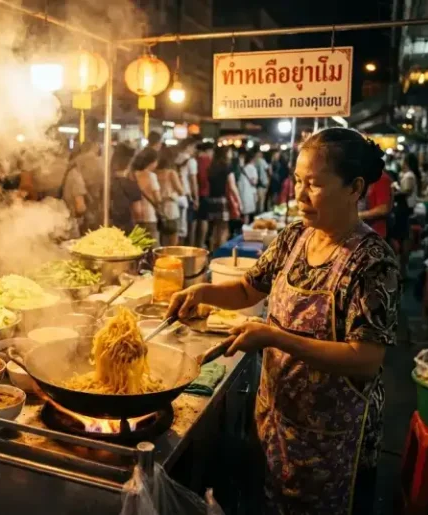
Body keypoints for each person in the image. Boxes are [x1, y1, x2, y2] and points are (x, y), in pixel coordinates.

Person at [167, 127, 399, 515]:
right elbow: (247, 290)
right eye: (297, 181)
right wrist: (202, 291)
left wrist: (275, 338)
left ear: (355, 187)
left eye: (314, 184)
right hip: (276, 417)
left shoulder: (373, 262)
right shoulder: (294, 237)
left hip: (333, 435)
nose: (300, 195)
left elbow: (366, 358)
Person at [206, 146, 241, 250]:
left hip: (211, 200)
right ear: (225, 154)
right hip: (222, 200)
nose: (231, 154)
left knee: (214, 229)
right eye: (230, 152)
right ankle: (220, 253)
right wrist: (239, 200)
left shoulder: (211, 167)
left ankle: (212, 252)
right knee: (223, 229)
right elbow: (232, 186)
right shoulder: (227, 167)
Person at [392, 153, 419, 277]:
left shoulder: (409, 176)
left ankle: (402, 266)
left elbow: (406, 191)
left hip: (404, 209)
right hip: (405, 208)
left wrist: (394, 191)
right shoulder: (409, 175)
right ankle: (402, 266)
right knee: (404, 236)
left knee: (403, 236)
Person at [109, 143, 143, 234]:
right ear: (129, 164)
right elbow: (138, 212)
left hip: (107, 227)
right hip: (126, 229)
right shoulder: (131, 185)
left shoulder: (106, 182)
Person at [130, 147, 161, 245]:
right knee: (153, 248)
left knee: (138, 248)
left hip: (134, 217)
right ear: (152, 162)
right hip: (149, 217)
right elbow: (158, 199)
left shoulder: (132, 175)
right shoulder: (151, 176)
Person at [155, 147, 185, 246]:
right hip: (171, 208)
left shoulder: (154, 173)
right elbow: (181, 191)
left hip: (158, 208)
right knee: (173, 238)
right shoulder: (171, 173)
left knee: (162, 239)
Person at [174, 138, 199, 245]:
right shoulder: (191, 161)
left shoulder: (174, 158)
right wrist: (196, 199)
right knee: (187, 228)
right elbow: (193, 182)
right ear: (188, 147)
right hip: (186, 196)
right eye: (193, 147)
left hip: (174, 196)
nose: (194, 150)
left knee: (176, 228)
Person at [359, 168, 393, 239]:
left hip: (374, 234)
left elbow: (384, 209)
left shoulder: (381, 178)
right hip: (361, 233)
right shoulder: (364, 177)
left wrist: (358, 216)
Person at [194, 142, 213, 248]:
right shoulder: (206, 161)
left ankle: (198, 241)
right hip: (204, 192)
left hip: (198, 193)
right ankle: (201, 243)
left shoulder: (196, 160)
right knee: (204, 219)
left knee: (199, 219)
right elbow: (204, 178)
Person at [236, 148, 259, 226]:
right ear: (253, 159)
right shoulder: (252, 168)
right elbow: (254, 182)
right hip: (249, 193)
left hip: (242, 192)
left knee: (244, 213)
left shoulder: (244, 168)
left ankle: (242, 229)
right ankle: (245, 230)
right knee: (247, 215)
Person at [253, 148, 270, 214]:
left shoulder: (254, 162)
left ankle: (257, 215)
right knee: (261, 202)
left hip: (256, 185)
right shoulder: (262, 161)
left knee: (257, 202)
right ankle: (260, 215)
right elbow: (268, 170)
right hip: (262, 184)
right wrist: (268, 180)